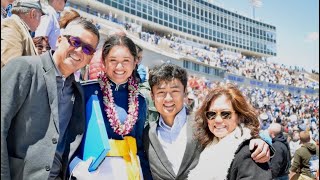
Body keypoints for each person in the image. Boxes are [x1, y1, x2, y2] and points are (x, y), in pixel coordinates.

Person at [1, 18, 100, 179]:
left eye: (88, 49)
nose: (79, 50)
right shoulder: (24, 68)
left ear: (90, 58)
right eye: (75, 42)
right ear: (60, 40)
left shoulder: (78, 92)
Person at [143, 63, 272, 180]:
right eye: (161, 92)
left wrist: (259, 142)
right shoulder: (146, 134)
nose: (168, 98)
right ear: (153, 97)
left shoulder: (203, 123)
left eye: (175, 91)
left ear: (185, 93)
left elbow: (236, 137)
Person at [70, 34, 151, 179]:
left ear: (135, 62)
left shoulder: (140, 100)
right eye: (113, 60)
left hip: (128, 172)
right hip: (91, 172)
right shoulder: (86, 91)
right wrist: (75, 167)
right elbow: (70, 139)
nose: (119, 67)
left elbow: (139, 147)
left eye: (126, 61)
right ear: (104, 62)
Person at [188, 83, 272, 180]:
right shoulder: (204, 147)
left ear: (240, 116)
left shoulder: (252, 152)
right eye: (211, 114)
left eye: (225, 114)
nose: (218, 120)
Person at [1, 0, 46, 68]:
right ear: (33, 14)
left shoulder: (18, 27)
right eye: (40, 16)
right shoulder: (13, 26)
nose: (40, 21)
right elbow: (10, 69)